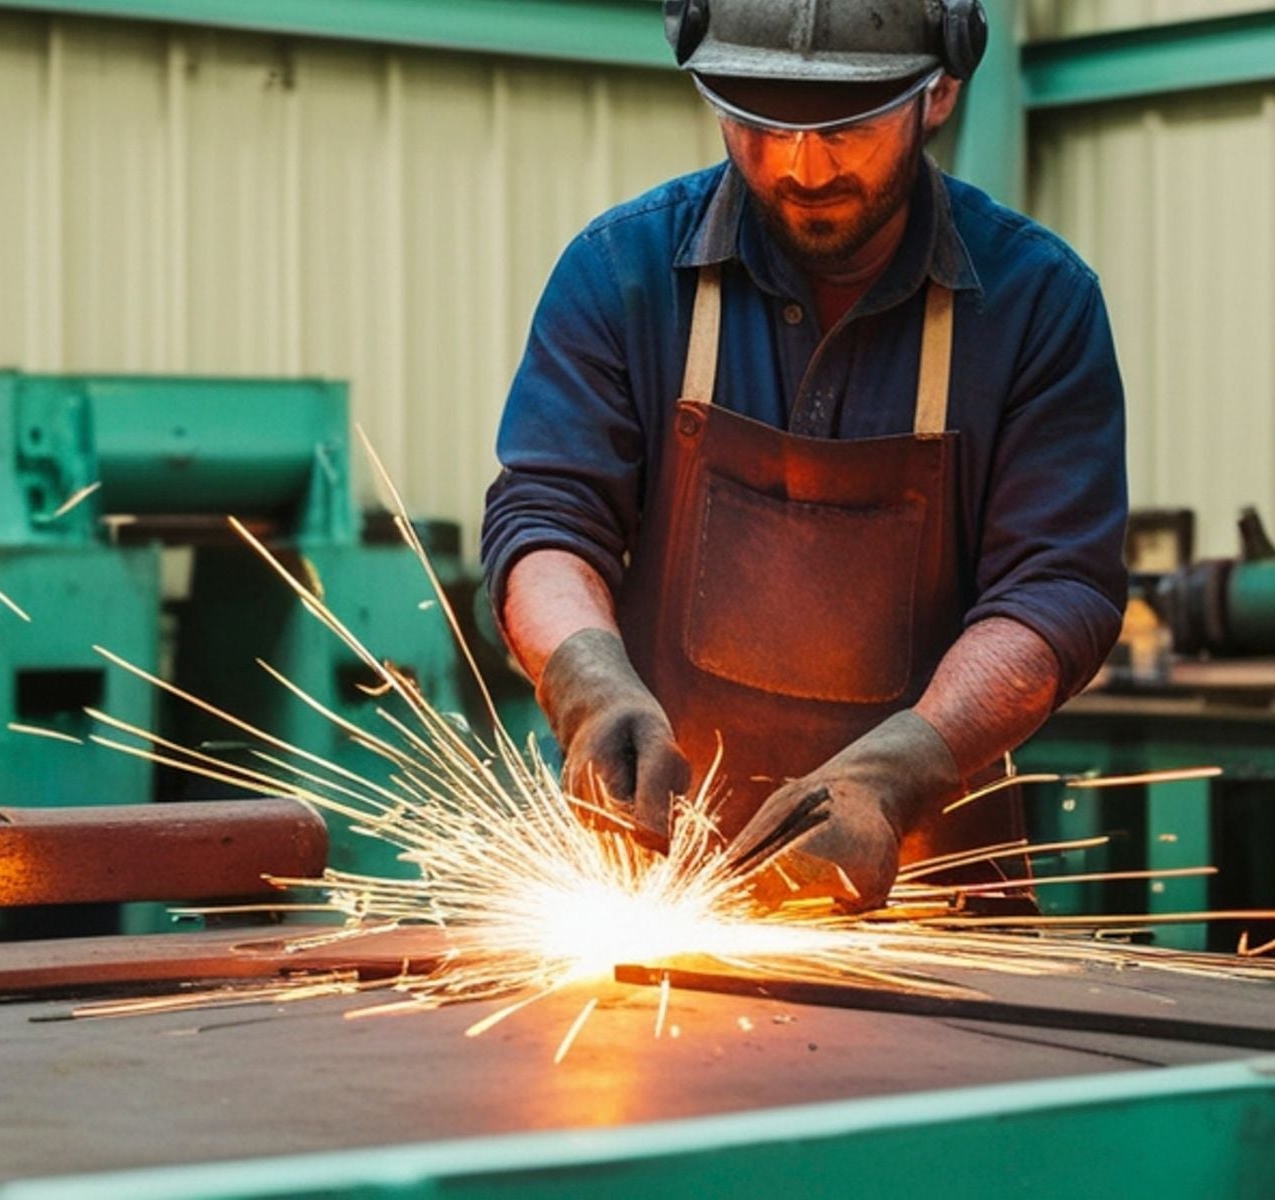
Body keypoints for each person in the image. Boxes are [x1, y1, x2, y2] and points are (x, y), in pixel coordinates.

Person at [479, 0, 1126, 911]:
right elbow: (546, 521)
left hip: (928, 898)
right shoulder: (620, 272)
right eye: (758, 120)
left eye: (848, 126)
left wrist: (893, 777)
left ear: (938, 92)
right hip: (655, 889)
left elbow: (1059, 591)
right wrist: (590, 687)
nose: (801, 165)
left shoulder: (1036, 306)